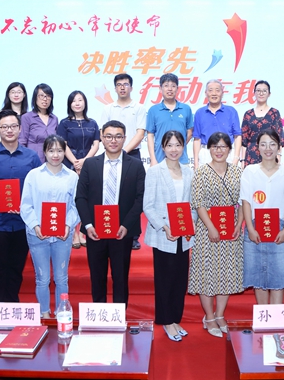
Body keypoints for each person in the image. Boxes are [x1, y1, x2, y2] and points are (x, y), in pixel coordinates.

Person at [75, 120, 146, 305]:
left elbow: (140, 199)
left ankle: (118, 315)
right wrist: (88, 225)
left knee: (120, 277)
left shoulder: (136, 165)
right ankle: (99, 314)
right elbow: (80, 197)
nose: (113, 140)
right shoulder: (90, 164)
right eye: (109, 136)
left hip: (122, 231)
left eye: (118, 136)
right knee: (97, 276)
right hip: (95, 230)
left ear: (124, 138)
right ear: (102, 137)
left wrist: (126, 225)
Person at [0, 110, 41, 306]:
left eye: (13, 126)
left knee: (16, 267)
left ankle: (12, 305)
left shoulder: (31, 157)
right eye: (4, 127)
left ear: (20, 128)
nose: (9, 130)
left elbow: (37, 191)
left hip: (23, 223)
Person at [188, 132, 243, 338]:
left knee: (226, 272)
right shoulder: (201, 172)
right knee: (206, 273)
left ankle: (220, 314)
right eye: (215, 146)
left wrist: (239, 224)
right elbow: (198, 203)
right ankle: (209, 316)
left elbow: (243, 202)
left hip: (231, 230)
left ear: (229, 149)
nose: (219, 150)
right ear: (208, 149)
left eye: (223, 147)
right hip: (207, 229)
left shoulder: (238, 172)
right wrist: (211, 227)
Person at [143, 131, 195, 341]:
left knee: (180, 280)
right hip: (163, 234)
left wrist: (191, 224)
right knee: (165, 279)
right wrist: (164, 227)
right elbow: (148, 205)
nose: (174, 149)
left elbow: (192, 204)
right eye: (170, 145)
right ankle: (166, 321)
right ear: (163, 147)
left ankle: (175, 319)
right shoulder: (155, 172)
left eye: (178, 145)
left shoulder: (189, 172)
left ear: (183, 147)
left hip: (184, 234)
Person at [20, 135, 80, 317]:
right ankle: (44, 313)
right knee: (42, 278)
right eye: (51, 150)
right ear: (44, 152)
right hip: (38, 235)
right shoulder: (33, 175)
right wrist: (35, 225)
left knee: (61, 277)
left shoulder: (72, 177)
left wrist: (68, 225)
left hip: (63, 235)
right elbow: (26, 205)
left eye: (60, 150)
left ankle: (61, 312)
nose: (56, 155)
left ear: (65, 152)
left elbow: (76, 205)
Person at [241, 129, 284, 304]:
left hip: (279, 229)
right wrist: (250, 229)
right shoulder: (249, 171)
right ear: (257, 147)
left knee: (278, 279)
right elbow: (246, 202)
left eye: (272, 144)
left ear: (279, 147)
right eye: (263, 144)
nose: (268, 148)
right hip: (255, 228)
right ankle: (263, 315)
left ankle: (276, 317)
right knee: (258, 277)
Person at [100, 73, 147, 250]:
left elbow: (140, 133)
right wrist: (115, 150)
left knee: (133, 195)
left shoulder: (139, 107)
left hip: (132, 155)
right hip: (111, 154)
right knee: (111, 193)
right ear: (115, 88)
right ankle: (109, 227)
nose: (122, 87)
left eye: (126, 84)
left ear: (131, 88)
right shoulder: (108, 108)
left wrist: (123, 152)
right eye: (119, 84)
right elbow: (103, 132)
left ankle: (133, 235)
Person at [57, 90, 100, 248]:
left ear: (85, 103)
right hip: (70, 164)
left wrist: (85, 161)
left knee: (86, 198)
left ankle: (83, 231)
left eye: (80, 100)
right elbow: (63, 145)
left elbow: (96, 144)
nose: (77, 103)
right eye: (74, 100)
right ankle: (74, 233)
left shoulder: (92, 123)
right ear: (70, 104)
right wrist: (75, 162)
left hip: (89, 164)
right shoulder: (64, 123)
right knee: (72, 198)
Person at [146, 73, 194, 166]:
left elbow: (189, 132)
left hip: (182, 160)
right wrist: (153, 159)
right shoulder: (153, 110)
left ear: (177, 89)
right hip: (160, 160)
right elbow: (150, 135)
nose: (170, 89)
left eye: (173, 86)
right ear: (160, 89)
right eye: (166, 86)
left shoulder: (186, 108)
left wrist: (178, 145)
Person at [193, 79, 242, 169]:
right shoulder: (199, 113)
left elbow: (237, 136)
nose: (214, 93)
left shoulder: (231, 111)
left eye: (217, 90)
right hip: (206, 153)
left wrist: (236, 158)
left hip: (227, 152)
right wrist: (196, 163)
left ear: (222, 93)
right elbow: (197, 139)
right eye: (210, 90)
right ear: (206, 93)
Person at [240, 80, 284, 167]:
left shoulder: (274, 113)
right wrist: (242, 160)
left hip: (269, 152)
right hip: (251, 155)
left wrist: (278, 155)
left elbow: (279, 137)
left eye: (264, 91)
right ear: (254, 93)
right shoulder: (248, 114)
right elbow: (244, 140)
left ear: (269, 94)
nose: (261, 93)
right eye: (258, 91)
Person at [19, 83, 59, 163]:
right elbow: (22, 142)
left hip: (51, 160)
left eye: (48, 96)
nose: (45, 99)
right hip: (32, 158)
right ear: (35, 98)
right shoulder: (27, 117)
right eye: (41, 96)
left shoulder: (54, 118)